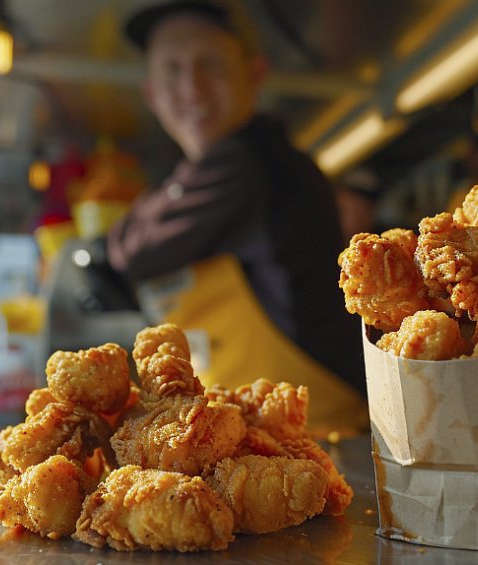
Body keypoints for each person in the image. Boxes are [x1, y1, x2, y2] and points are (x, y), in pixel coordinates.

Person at [106, 0, 366, 434]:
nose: (193, 88)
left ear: (255, 73)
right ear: (152, 93)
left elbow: (133, 252)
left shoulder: (250, 163)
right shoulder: (210, 170)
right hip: (250, 423)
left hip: (310, 427)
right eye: (172, 69)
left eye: (212, 64)